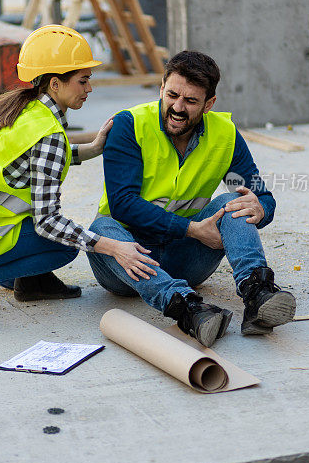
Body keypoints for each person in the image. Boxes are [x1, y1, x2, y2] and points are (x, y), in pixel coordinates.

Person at [0, 25, 159, 329]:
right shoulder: (48, 133)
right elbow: (48, 223)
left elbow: (35, 163)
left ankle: (32, 284)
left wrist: (93, 148)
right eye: (83, 80)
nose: (89, 89)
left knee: (41, 230)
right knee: (63, 244)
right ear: (55, 83)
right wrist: (111, 245)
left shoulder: (20, 107)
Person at [87, 50, 296, 347]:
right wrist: (191, 229)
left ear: (209, 104)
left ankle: (257, 294)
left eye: (191, 101)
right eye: (172, 95)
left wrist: (260, 208)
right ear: (161, 87)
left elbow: (261, 194)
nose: (177, 107)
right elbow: (122, 202)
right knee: (100, 228)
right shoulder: (129, 125)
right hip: (124, 263)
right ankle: (187, 308)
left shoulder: (225, 135)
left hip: (186, 259)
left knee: (234, 202)